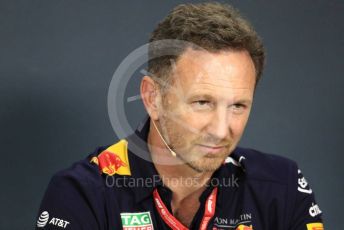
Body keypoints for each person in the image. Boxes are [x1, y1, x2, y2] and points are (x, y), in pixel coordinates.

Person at [36, 2, 324, 230]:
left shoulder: (283, 186)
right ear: (153, 98)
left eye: (238, 106)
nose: (222, 130)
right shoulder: (83, 194)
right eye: (202, 102)